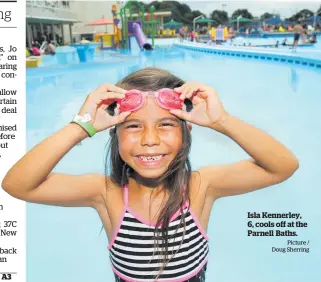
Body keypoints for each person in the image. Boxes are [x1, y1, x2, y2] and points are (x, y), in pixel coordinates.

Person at [2, 68, 299, 281]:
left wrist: (221, 120)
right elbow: (18, 185)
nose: (149, 139)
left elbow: (283, 166)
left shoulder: (200, 186)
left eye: (166, 125)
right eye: (133, 126)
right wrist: (81, 125)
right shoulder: (107, 194)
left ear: (187, 130)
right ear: (113, 133)